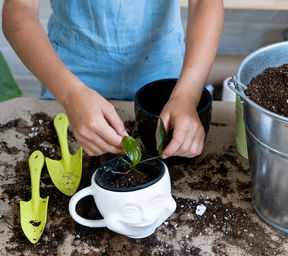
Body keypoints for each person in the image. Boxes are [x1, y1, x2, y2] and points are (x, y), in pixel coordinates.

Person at [2, 0, 223, 158]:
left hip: (163, 72)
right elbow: (19, 10)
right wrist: (71, 95)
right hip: (69, 77)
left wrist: (187, 94)